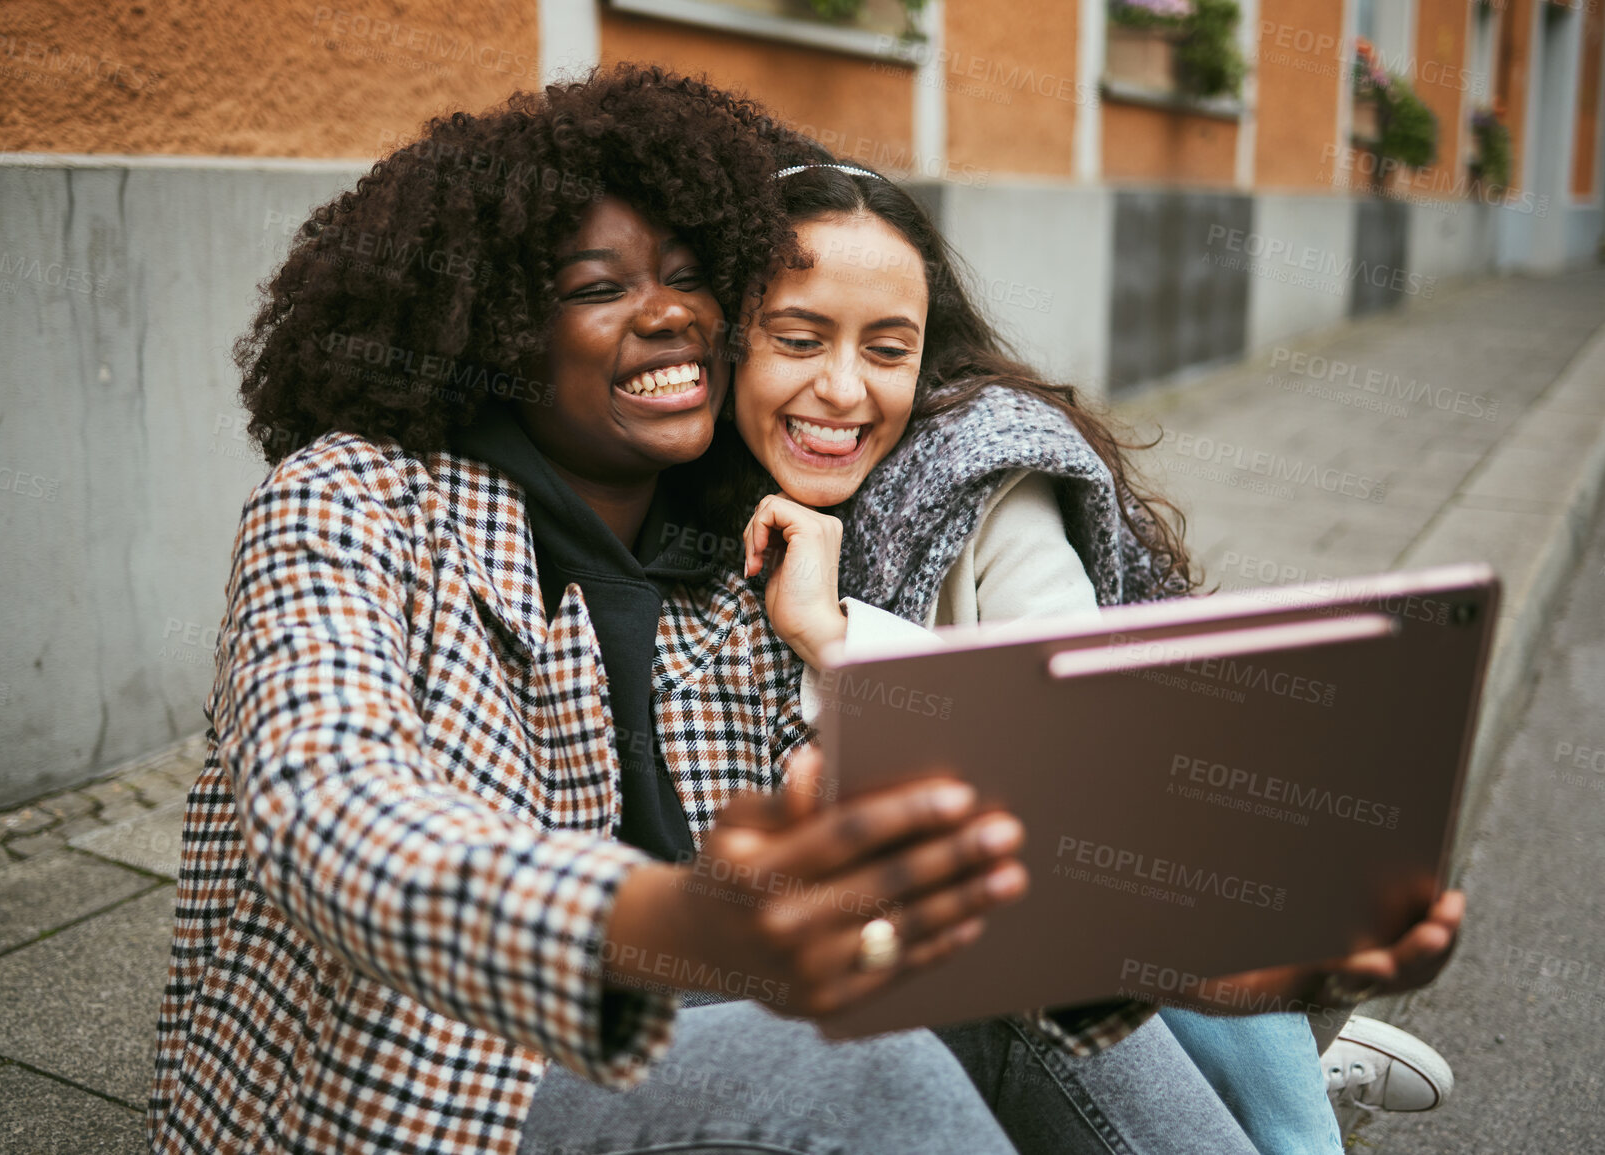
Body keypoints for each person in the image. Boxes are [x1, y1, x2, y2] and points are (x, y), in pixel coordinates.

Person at [148, 68, 1043, 1155]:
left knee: (1022, 971)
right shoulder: (352, 502)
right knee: (867, 1077)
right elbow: (332, 812)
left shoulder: (737, 547)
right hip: (430, 1076)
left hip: (681, 1020)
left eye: (688, 276)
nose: (667, 313)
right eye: (595, 287)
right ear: (494, 327)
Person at [726, 153, 1463, 1154]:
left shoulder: (983, 478)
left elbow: (1082, 763)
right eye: (799, 338)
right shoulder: (693, 492)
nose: (843, 389)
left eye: (887, 350)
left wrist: (834, 634)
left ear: (927, 356)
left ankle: (1297, 1124)